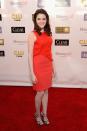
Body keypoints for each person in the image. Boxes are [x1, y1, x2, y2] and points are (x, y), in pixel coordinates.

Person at [28, 8, 55, 125]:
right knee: (40, 92)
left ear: (47, 20)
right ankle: (37, 114)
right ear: (35, 20)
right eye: (39, 19)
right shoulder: (32, 34)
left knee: (46, 91)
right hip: (38, 66)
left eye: (44, 19)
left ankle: (45, 113)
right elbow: (29, 55)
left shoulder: (49, 33)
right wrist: (32, 73)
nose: (41, 21)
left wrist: (54, 68)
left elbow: (50, 52)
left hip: (48, 65)